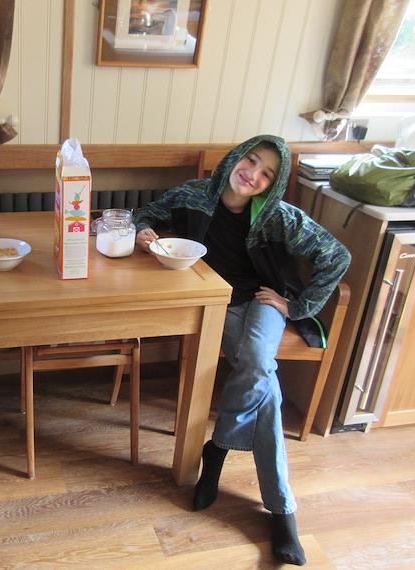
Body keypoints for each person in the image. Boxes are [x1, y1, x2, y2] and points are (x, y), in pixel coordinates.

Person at [133, 134, 350, 566]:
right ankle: (282, 510)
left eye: (267, 173)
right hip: (217, 302)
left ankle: (218, 449)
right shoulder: (194, 195)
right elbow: (144, 214)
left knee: (257, 365)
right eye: (251, 161)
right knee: (263, 376)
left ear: (273, 184)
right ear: (236, 158)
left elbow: (336, 256)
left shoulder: (279, 217)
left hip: (263, 301)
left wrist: (297, 306)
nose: (253, 174)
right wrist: (142, 231)